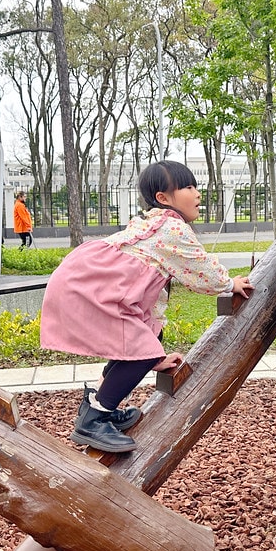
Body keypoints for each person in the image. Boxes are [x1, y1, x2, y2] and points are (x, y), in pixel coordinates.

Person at [40, 160, 253, 453]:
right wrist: (229, 285)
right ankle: (94, 420)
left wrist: (156, 356)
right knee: (140, 350)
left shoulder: (153, 222)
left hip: (88, 285)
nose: (197, 193)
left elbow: (149, 293)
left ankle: (100, 405)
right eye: (188, 187)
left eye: (195, 186)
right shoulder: (171, 227)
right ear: (164, 198)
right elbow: (199, 268)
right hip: (91, 291)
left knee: (144, 342)